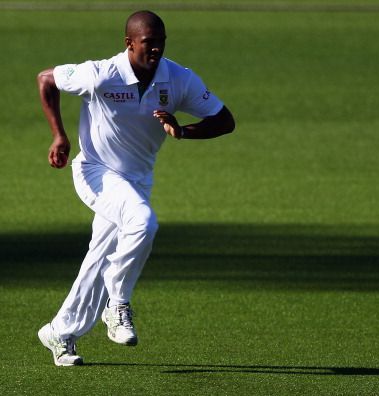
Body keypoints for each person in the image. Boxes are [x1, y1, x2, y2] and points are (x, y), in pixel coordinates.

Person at [36, 10, 235, 366]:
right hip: (95, 172)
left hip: (138, 179)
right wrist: (59, 135)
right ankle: (118, 302)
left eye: (160, 42)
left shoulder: (178, 79)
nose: (156, 49)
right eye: (148, 43)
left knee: (100, 256)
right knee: (143, 222)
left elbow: (224, 120)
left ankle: (60, 331)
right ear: (129, 43)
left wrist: (184, 130)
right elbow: (46, 79)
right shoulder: (99, 74)